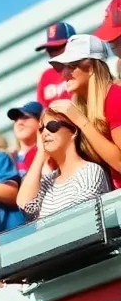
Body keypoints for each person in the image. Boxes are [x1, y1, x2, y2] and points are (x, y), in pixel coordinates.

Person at [45, 34, 121, 188]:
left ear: (92, 67)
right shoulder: (79, 106)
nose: (64, 73)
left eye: (72, 65)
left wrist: (80, 121)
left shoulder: (115, 97)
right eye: (61, 66)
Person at [17, 108, 112, 221]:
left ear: (73, 132)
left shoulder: (91, 170)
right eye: (41, 129)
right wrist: (41, 153)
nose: (45, 133)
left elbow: (78, 216)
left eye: (52, 126)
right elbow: (24, 206)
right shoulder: (48, 181)